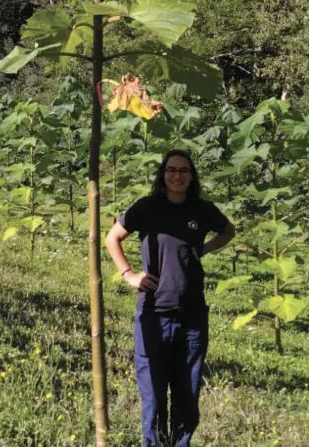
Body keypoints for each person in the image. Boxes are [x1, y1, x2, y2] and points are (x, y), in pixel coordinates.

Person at [105, 149, 235, 447]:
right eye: (172, 170)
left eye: (184, 171)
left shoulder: (202, 211)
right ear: (163, 174)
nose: (178, 176)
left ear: (192, 177)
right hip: (154, 312)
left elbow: (229, 231)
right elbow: (112, 237)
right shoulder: (147, 208)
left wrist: (203, 250)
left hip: (192, 315)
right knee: (152, 392)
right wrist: (128, 274)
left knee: (186, 393)